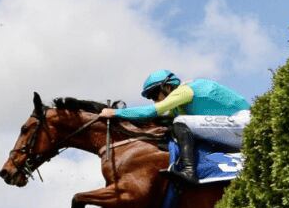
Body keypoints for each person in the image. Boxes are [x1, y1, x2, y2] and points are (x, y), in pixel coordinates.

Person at [100, 69, 251, 184]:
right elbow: (158, 119)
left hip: (244, 124)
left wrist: (115, 112)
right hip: (234, 130)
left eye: (154, 94)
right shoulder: (179, 106)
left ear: (167, 87)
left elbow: (152, 111)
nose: (154, 100)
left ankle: (189, 172)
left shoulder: (184, 91)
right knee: (177, 123)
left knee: (181, 122)